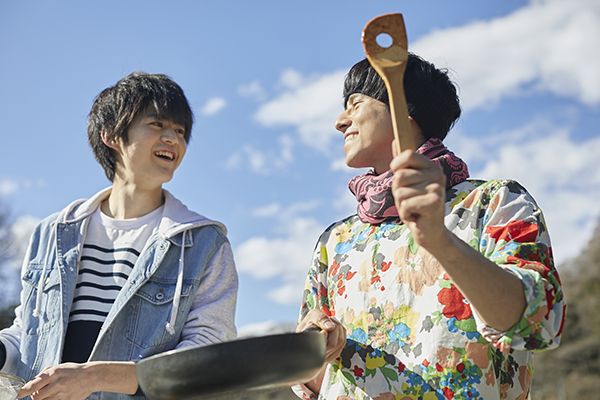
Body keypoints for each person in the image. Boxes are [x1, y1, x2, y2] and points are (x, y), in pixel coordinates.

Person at [294, 54, 565, 400]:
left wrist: (440, 240)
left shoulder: (493, 202)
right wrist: (316, 347)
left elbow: (540, 321)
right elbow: (314, 386)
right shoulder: (335, 241)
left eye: (355, 103)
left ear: (403, 114)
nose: (339, 121)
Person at [0, 72, 238, 399]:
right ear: (112, 135)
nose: (174, 139)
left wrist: (96, 376)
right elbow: (28, 332)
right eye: (157, 124)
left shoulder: (204, 244)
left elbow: (208, 355)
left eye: (180, 131)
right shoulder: (53, 232)